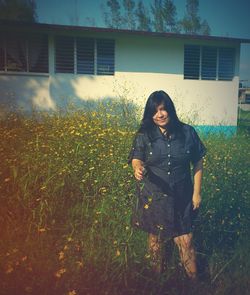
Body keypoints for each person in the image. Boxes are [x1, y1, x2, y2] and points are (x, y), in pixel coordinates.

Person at [128, 90, 206, 279]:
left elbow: (198, 162)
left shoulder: (188, 132)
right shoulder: (144, 135)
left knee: (185, 239)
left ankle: (194, 286)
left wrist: (196, 193)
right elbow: (136, 158)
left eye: (163, 109)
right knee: (156, 238)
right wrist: (137, 168)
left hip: (182, 195)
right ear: (149, 114)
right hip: (154, 195)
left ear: (170, 109)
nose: (160, 114)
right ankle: (157, 281)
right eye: (155, 111)